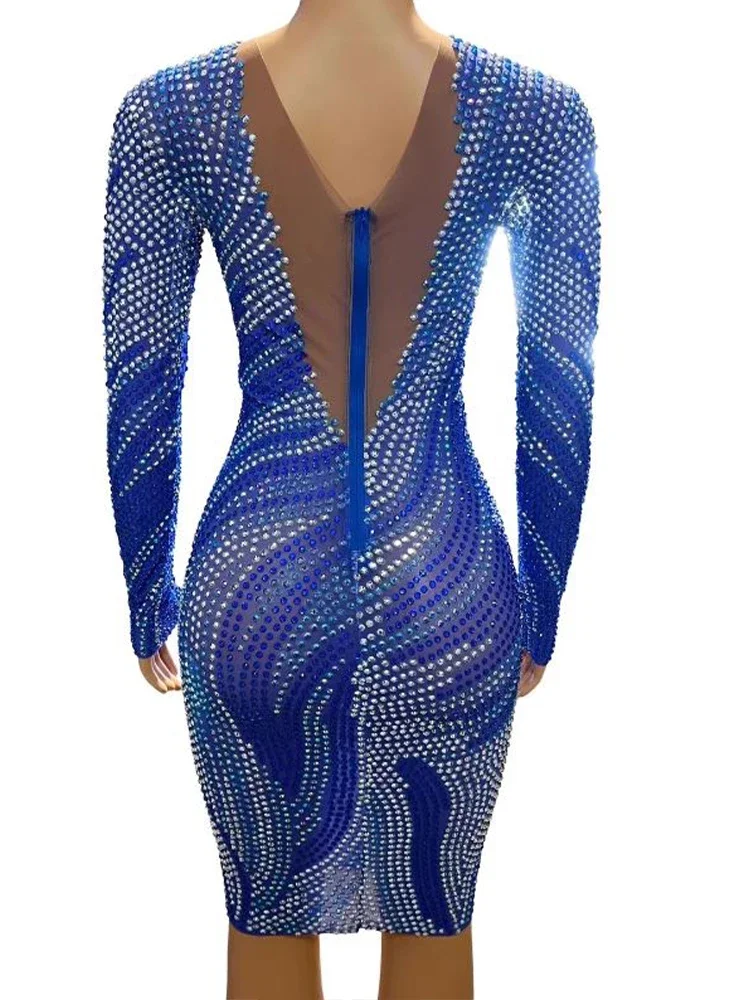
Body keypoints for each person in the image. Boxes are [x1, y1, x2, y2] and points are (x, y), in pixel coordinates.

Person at [102, 2, 601, 997]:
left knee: (265, 917)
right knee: (434, 909)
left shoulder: (171, 111)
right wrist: (542, 600)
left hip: (255, 585)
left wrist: (144, 585)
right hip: (448, 576)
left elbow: (141, 379)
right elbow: (560, 387)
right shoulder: (536, 113)